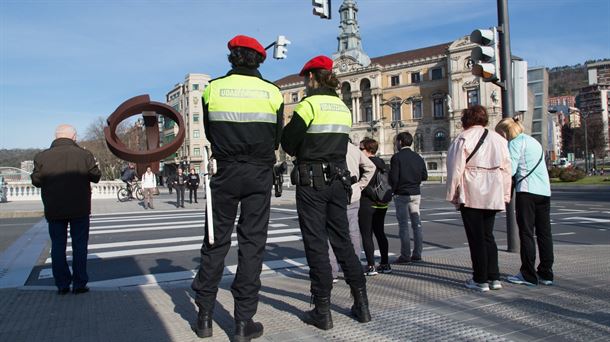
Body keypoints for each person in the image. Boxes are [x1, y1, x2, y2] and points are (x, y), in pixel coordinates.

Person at [191, 35, 284, 341]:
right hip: (259, 173)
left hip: (225, 171)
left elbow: (208, 130)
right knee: (252, 245)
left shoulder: (213, 89)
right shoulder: (273, 91)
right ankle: (243, 322)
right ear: (260, 59)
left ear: (232, 57)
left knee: (215, 242)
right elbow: (276, 139)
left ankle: (204, 317)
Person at [281, 55, 370, 330]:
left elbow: (289, 142)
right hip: (338, 181)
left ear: (310, 78)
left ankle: (322, 310)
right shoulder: (343, 108)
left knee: (316, 244)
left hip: (311, 182)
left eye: (304, 80)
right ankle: (362, 304)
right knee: (342, 241)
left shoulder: (309, 104)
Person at [446, 105, 511, 292]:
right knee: (488, 235)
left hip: (472, 188)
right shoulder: (498, 139)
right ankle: (494, 277)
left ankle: (480, 278)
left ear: (466, 119)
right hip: (493, 189)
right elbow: (507, 169)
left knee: (476, 238)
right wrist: (505, 194)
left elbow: (455, 169)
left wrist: (452, 194)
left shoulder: (463, 137)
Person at [31, 124, 101, 295]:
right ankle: (79, 284)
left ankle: (62, 284)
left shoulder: (42, 156)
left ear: (56, 136)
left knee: (57, 245)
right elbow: (96, 176)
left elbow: (36, 181)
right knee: (79, 246)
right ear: (74, 137)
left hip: (54, 208)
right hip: (80, 208)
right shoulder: (84, 155)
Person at [495, 118, 554, 287]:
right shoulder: (533, 141)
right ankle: (546, 272)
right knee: (544, 233)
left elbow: (510, 171)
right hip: (544, 191)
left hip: (527, 191)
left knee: (526, 233)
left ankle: (528, 273)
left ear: (505, 133)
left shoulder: (514, 144)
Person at [327, 140, 375, 282]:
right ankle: (355, 267)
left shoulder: (329, 145)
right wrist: (361, 185)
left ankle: (332, 271)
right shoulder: (353, 149)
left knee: (330, 232)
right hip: (352, 192)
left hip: (333, 193)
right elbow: (370, 167)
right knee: (352, 232)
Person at [390, 132, 428, 264]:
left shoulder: (397, 158)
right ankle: (417, 253)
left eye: (397, 142)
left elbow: (394, 178)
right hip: (416, 193)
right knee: (417, 224)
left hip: (402, 194)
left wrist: (392, 191)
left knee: (403, 225)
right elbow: (424, 176)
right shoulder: (418, 157)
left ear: (400, 142)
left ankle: (405, 255)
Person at [359, 138, 391, 275]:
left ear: (367, 150)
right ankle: (385, 263)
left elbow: (363, 183)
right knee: (380, 233)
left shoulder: (364, 164)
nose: (359, 151)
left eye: (361, 149)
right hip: (382, 202)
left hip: (367, 202)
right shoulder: (382, 163)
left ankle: (371, 265)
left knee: (367, 235)